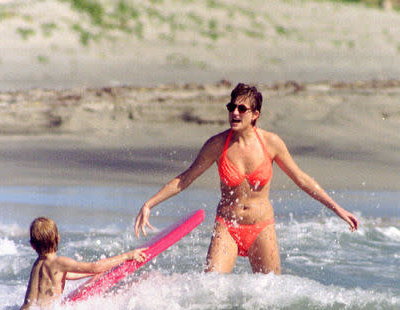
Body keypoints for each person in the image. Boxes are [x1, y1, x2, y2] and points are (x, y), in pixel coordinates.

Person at [134, 83, 358, 275]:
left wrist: (338, 209)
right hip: (227, 227)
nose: (235, 113)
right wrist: (149, 203)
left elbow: (301, 179)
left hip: (261, 228)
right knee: (211, 290)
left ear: (255, 114)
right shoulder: (217, 145)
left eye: (242, 108)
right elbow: (185, 178)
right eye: (232, 107)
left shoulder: (271, 143)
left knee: (271, 297)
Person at [0, 216, 147, 310]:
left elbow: (60, 278)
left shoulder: (38, 264)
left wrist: (92, 276)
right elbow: (95, 266)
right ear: (58, 238)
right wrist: (128, 256)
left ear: (32, 246)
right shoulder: (59, 262)